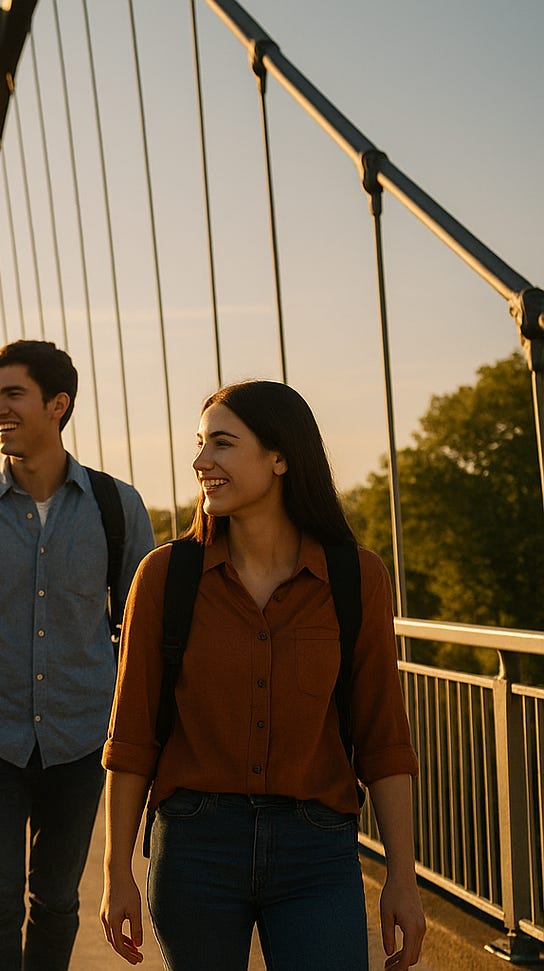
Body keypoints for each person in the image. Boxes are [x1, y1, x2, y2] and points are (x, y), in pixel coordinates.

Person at [100, 380, 426, 970]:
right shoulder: (164, 579)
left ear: (280, 457)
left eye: (221, 444)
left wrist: (403, 877)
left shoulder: (357, 580)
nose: (202, 463)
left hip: (318, 848)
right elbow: (131, 742)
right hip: (195, 845)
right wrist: (116, 871)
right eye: (200, 445)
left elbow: (384, 740)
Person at [0, 339, 154, 969]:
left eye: (12, 395)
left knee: (57, 900)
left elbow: (143, 635)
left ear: (58, 404)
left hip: (81, 740)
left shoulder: (116, 507)